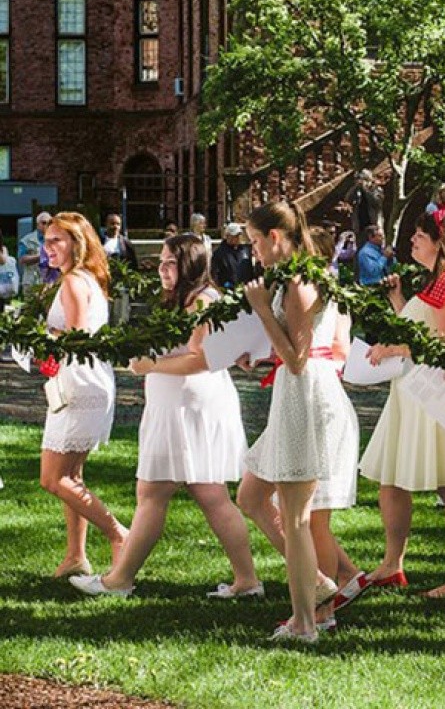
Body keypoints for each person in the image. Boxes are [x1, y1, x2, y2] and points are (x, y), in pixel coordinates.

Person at [70, 235, 259, 599]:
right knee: (200, 493)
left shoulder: (203, 301)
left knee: (165, 491)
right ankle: (246, 580)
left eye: (170, 262)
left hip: (189, 408)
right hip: (176, 405)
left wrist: (151, 364)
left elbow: (201, 358)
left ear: (190, 264)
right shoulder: (186, 300)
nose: (162, 269)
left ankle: (119, 580)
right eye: (161, 262)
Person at [240, 200, 358, 642]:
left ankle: (306, 622)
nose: (253, 252)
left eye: (255, 242)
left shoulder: (300, 282)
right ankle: (321, 585)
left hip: (307, 397)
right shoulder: (291, 278)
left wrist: (261, 310)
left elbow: (297, 358)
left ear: (275, 237)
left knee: (296, 518)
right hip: (294, 395)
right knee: (251, 495)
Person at [359, 210, 445, 598]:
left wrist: (393, 348)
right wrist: (399, 302)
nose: (412, 239)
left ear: (439, 240)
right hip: (414, 392)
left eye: (420, 234)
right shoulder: (435, 281)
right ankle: (392, 564)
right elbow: (425, 329)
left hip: (440, 394)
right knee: (392, 480)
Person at [38, 212, 126, 578]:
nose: (49, 248)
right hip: (84, 380)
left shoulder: (74, 281)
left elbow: (75, 338)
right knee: (71, 475)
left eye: (57, 240)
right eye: (47, 241)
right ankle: (76, 556)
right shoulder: (86, 278)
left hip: (80, 383)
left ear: (77, 243)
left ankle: (120, 534)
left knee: (54, 478)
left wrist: (37, 338)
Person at [210, 222, 254, 290]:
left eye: (239, 235)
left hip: (246, 290)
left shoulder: (245, 250)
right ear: (227, 236)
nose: (238, 238)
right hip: (228, 291)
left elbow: (250, 271)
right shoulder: (219, 253)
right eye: (235, 235)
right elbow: (215, 275)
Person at [344, 169, 384, 243]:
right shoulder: (356, 190)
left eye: (364, 180)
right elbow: (347, 199)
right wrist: (355, 187)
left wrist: (365, 190)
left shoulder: (376, 190)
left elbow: (377, 202)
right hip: (359, 226)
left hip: (373, 224)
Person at [18, 211, 52, 293]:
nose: (46, 225)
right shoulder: (26, 240)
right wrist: (40, 257)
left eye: (49, 223)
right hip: (31, 282)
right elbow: (21, 259)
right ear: (37, 224)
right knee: (30, 305)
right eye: (43, 223)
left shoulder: (55, 240)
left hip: (49, 282)